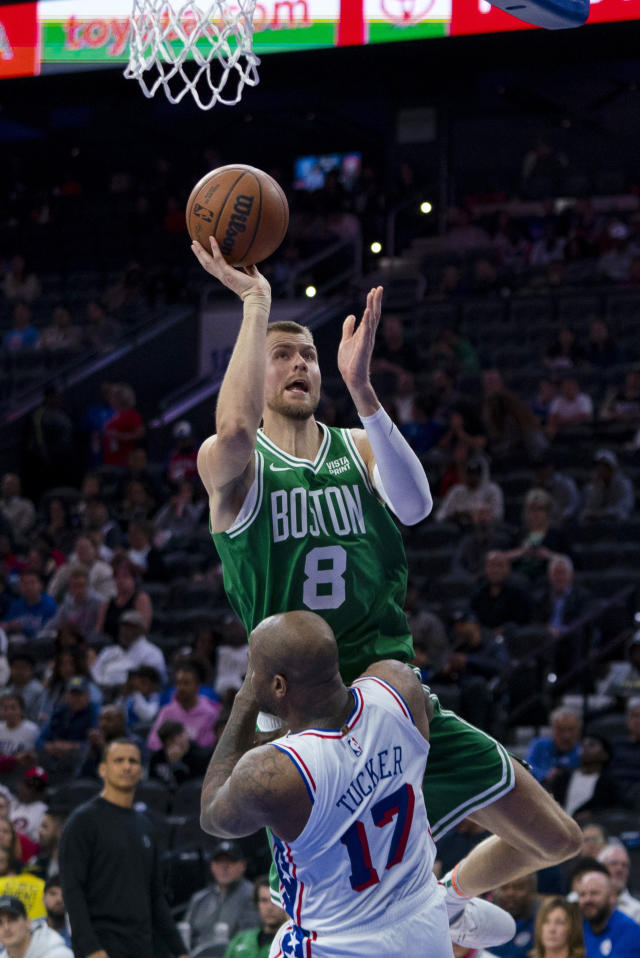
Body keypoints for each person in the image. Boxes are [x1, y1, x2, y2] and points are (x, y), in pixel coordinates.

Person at [193, 240, 581, 939]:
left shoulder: (359, 446)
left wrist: (365, 393)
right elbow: (233, 427)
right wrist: (256, 304)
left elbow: (417, 507)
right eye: (282, 355)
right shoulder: (237, 469)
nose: (300, 365)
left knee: (558, 840)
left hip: (395, 702)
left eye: (308, 355)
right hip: (307, 721)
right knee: (341, 921)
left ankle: (447, 899)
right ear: (254, 368)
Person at [200, 610, 509, 957]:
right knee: (557, 839)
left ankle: (454, 899)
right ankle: (451, 902)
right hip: (422, 922)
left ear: (278, 685)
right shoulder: (398, 686)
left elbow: (213, 816)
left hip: (340, 943)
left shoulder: (276, 771)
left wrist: (245, 698)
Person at [59, 739, 188, 958]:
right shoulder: (82, 821)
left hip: (142, 947)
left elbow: (156, 897)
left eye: (133, 761)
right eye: (119, 760)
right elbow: (72, 891)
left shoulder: (146, 826)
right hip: (102, 945)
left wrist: (180, 951)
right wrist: (90, 948)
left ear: (140, 770)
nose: (127, 766)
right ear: (103, 769)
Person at [183, 840, 259, 953]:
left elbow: (250, 941)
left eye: (230, 861)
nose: (224, 867)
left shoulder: (253, 895)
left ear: (242, 865)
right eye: (219, 862)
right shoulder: (199, 898)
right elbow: (185, 934)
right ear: (212, 866)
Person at [147, 661, 220, 752]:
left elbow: (206, 746)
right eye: (178, 683)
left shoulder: (210, 713)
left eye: (186, 683)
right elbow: (153, 741)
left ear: (197, 686)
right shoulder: (166, 711)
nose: (181, 688)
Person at [91, 610, 166, 692]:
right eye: (123, 626)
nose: (125, 631)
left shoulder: (152, 653)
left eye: (131, 627)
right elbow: (94, 673)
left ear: (140, 629)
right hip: (102, 692)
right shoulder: (109, 651)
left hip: (132, 695)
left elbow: (154, 682)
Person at [577, 870, 640, 958]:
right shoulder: (576, 929)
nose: (587, 899)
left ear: (612, 896)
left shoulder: (630, 931)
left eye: (594, 893)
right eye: (582, 894)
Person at [222, 875, 287, 958]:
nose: (269, 907)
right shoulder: (240, 939)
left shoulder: (293, 943)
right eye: (264, 900)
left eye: (276, 900)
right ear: (257, 903)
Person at [0, 894, 72, 958]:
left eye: (12, 919)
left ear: (28, 922)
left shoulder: (58, 954)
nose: (6, 927)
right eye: (0, 923)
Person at [525, 707, 582, 786]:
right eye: (560, 729)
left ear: (579, 730)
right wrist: (545, 776)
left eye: (571, 729)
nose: (566, 736)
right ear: (552, 729)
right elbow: (527, 768)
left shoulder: (582, 752)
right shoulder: (539, 745)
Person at [488, 874, 539, 958]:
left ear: (532, 891)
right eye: (504, 888)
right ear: (493, 891)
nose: (510, 893)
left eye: (518, 887)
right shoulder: (482, 922)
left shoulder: (543, 923)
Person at [580, 450, 635, 523]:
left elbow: (625, 507)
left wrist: (604, 513)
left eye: (605, 466)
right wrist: (596, 487)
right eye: (598, 466)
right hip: (598, 523)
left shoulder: (624, 483)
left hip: (619, 523)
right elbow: (589, 507)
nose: (601, 469)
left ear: (612, 468)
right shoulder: (593, 485)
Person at [1, 572, 57, 640]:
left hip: (43, 645)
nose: (28, 587)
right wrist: (6, 626)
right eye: (24, 584)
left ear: (40, 585)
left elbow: (50, 630)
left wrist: (23, 629)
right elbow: (5, 623)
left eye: (32, 583)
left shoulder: (50, 605)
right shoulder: (16, 605)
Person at [597, 844, 640, 924]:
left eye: (624, 865)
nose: (620, 869)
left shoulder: (637, 910)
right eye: (613, 863)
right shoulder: (578, 901)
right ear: (600, 867)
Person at [0, 695, 38, 774]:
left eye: (13, 708)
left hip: (23, 774)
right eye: (5, 708)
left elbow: (31, 759)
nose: (9, 712)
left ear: (21, 710)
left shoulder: (31, 730)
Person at [42, 877, 71, 948]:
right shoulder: (31, 930)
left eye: (64, 894)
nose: (59, 899)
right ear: (43, 899)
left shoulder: (80, 930)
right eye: (53, 894)